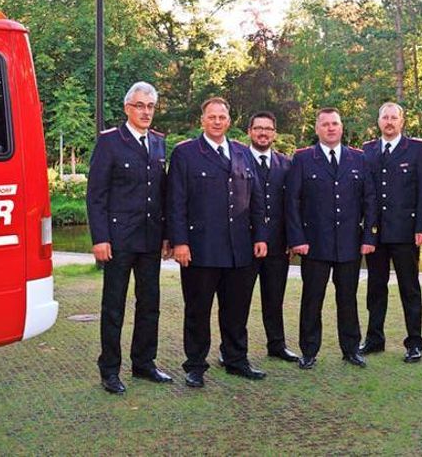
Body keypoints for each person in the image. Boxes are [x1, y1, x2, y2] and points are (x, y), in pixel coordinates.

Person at [167, 97, 268, 388]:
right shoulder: (186, 153)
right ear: (203, 120)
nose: (217, 121)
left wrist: (260, 235)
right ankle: (195, 365)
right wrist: (180, 242)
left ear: (229, 120)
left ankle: (236, 359)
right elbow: (176, 202)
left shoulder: (242, 152)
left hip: (239, 248)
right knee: (198, 310)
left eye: (222, 117)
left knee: (237, 309)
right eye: (211, 117)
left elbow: (257, 199)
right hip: (201, 249)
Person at [87, 82, 173, 394]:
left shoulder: (159, 142)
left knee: (150, 304)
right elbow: (96, 195)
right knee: (114, 307)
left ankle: (144, 363)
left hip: (150, 239)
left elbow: (161, 194)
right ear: (128, 109)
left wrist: (166, 236)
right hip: (119, 239)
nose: (146, 111)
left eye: (150, 106)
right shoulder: (111, 142)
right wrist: (100, 238)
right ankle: (109, 369)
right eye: (140, 106)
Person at [285, 107, 377, 370]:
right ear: (317, 129)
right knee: (312, 299)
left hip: (349, 243)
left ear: (342, 127)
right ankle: (309, 351)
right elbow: (292, 202)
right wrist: (297, 239)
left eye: (335, 123)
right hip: (314, 244)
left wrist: (369, 236)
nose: (330, 128)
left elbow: (370, 200)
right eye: (325, 124)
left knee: (348, 299)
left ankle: (350, 349)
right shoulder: (303, 159)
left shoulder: (358, 159)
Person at [361, 102, 422, 363]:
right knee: (375, 289)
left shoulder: (416, 148)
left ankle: (414, 343)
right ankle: (374, 339)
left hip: (405, 232)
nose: (389, 122)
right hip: (376, 234)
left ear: (402, 122)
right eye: (385, 117)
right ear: (378, 121)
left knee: (409, 289)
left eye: (394, 117)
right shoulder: (367, 150)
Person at [241, 111, 298, 362]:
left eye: (268, 129)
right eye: (258, 128)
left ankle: (277, 345)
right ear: (249, 131)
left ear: (274, 133)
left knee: (274, 298)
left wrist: (293, 239)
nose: (263, 133)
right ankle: (232, 350)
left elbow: (293, 204)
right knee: (237, 301)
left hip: (277, 244)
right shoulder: (237, 159)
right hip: (244, 243)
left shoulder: (286, 164)